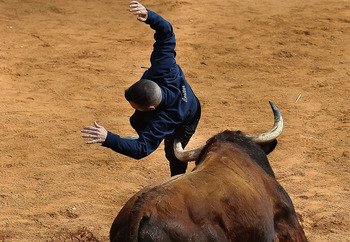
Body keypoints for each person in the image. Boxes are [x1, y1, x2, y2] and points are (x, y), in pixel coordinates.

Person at [81, 1, 201, 176]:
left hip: (187, 118)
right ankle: (148, 133)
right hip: (169, 104)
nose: (132, 106)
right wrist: (149, 15)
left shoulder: (166, 117)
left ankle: (178, 180)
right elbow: (166, 32)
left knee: (173, 154)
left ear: (152, 108)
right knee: (136, 121)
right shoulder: (163, 67)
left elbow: (141, 150)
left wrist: (108, 138)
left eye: (134, 104)